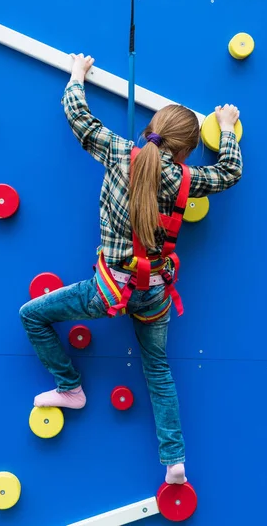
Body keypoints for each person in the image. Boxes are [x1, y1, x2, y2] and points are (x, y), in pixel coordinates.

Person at [19, 53, 243, 484]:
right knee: (157, 370)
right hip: (155, 293)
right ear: (187, 151)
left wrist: (77, 75)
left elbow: (79, 119)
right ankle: (174, 460)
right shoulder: (186, 179)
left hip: (109, 290)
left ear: (151, 128)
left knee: (31, 315)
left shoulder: (119, 151)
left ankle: (70, 388)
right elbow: (230, 171)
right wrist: (229, 128)